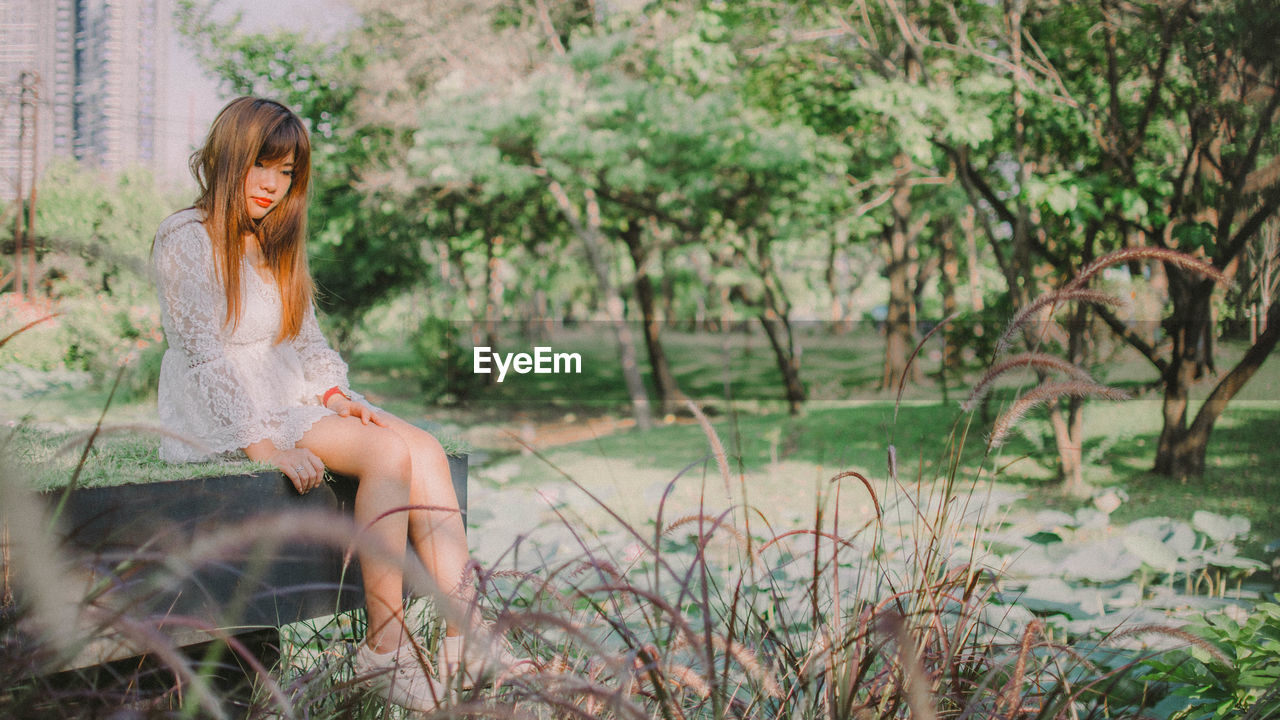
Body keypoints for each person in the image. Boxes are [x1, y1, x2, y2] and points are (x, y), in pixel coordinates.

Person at [151, 97, 518, 711]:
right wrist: (265, 447)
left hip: (287, 395)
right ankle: (387, 650)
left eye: (287, 171)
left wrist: (336, 397)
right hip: (222, 410)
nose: (273, 184)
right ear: (226, 159)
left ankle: (468, 637)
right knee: (383, 455)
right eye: (261, 166)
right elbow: (202, 354)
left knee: (421, 446)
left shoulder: (272, 241)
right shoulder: (185, 237)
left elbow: (306, 338)